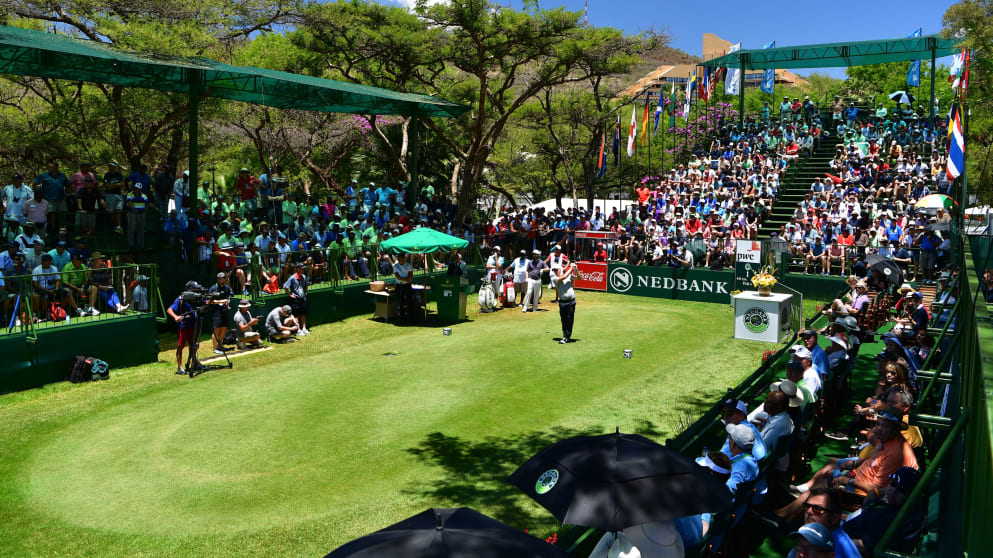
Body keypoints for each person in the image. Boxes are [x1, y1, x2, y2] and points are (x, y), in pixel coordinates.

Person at [842, 467, 925, 556]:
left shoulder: (894, 518)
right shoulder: (894, 507)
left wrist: (836, 541)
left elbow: (863, 547)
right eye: (893, 484)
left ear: (911, 495)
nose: (893, 491)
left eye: (901, 489)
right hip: (847, 531)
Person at [166, 284, 200, 375]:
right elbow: (169, 310)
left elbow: (207, 302)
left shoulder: (196, 297)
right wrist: (176, 317)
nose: (196, 290)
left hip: (193, 325)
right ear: (190, 288)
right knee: (180, 346)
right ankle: (180, 367)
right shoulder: (180, 299)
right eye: (195, 288)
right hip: (183, 326)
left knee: (193, 345)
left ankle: (195, 362)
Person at [33, 160, 69, 234]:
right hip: (48, 199)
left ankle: (62, 230)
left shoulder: (62, 176)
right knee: (51, 214)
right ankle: (52, 229)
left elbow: (68, 184)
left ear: (56, 168)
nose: (50, 168)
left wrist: (67, 193)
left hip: (61, 198)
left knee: (62, 214)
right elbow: (34, 182)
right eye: (49, 167)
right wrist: (36, 192)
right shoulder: (44, 175)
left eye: (52, 167)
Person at [208, 272, 233, 354]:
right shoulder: (213, 288)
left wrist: (227, 301)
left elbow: (229, 296)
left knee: (224, 328)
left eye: (221, 278)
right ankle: (215, 348)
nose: (219, 279)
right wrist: (221, 302)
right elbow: (209, 301)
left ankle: (220, 346)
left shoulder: (226, 287)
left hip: (224, 311)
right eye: (218, 278)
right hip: (216, 312)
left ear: (225, 279)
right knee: (216, 330)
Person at [283, 262, 310, 335]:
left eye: (303, 269)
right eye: (301, 269)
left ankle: (304, 328)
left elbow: (306, 285)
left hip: (303, 298)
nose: (303, 270)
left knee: (303, 314)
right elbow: (285, 287)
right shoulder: (292, 278)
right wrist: (290, 295)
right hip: (295, 299)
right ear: (297, 269)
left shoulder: (304, 277)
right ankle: (298, 330)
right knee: (296, 315)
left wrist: (305, 292)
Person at [554, 261, 577, 344]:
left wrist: (576, 270)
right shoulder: (554, 279)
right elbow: (564, 276)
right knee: (564, 320)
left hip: (571, 301)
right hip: (562, 302)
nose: (555, 271)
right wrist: (572, 268)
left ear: (560, 269)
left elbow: (579, 278)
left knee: (570, 319)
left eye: (556, 270)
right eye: (554, 270)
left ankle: (566, 337)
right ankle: (565, 335)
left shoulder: (568, 276)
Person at [102, 161, 126, 234]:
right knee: (112, 212)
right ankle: (115, 226)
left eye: (112, 166)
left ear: (115, 167)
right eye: (109, 166)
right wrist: (117, 184)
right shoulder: (107, 175)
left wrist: (113, 185)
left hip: (119, 195)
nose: (111, 167)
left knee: (118, 210)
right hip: (110, 195)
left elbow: (122, 184)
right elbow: (108, 187)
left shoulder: (119, 175)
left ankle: (119, 227)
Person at [393, 252, 415, 323]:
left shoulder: (408, 265)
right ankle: (401, 317)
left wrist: (406, 280)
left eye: (401, 258)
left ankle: (411, 316)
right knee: (400, 302)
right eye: (398, 258)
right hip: (399, 285)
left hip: (407, 285)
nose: (399, 260)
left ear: (404, 258)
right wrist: (406, 279)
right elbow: (397, 276)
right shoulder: (395, 266)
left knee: (410, 300)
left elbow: (410, 276)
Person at [522, 249, 546, 313]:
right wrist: (526, 278)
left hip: (538, 280)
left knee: (536, 294)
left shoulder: (542, 262)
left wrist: (543, 270)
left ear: (538, 255)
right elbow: (527, 270)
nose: (534, 255)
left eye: (535, 254)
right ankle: (525, 307)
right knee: (529, 292)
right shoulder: (530, 262)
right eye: (533, 254)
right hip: (530, 279)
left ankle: (535, 308)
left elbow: (548, 268)